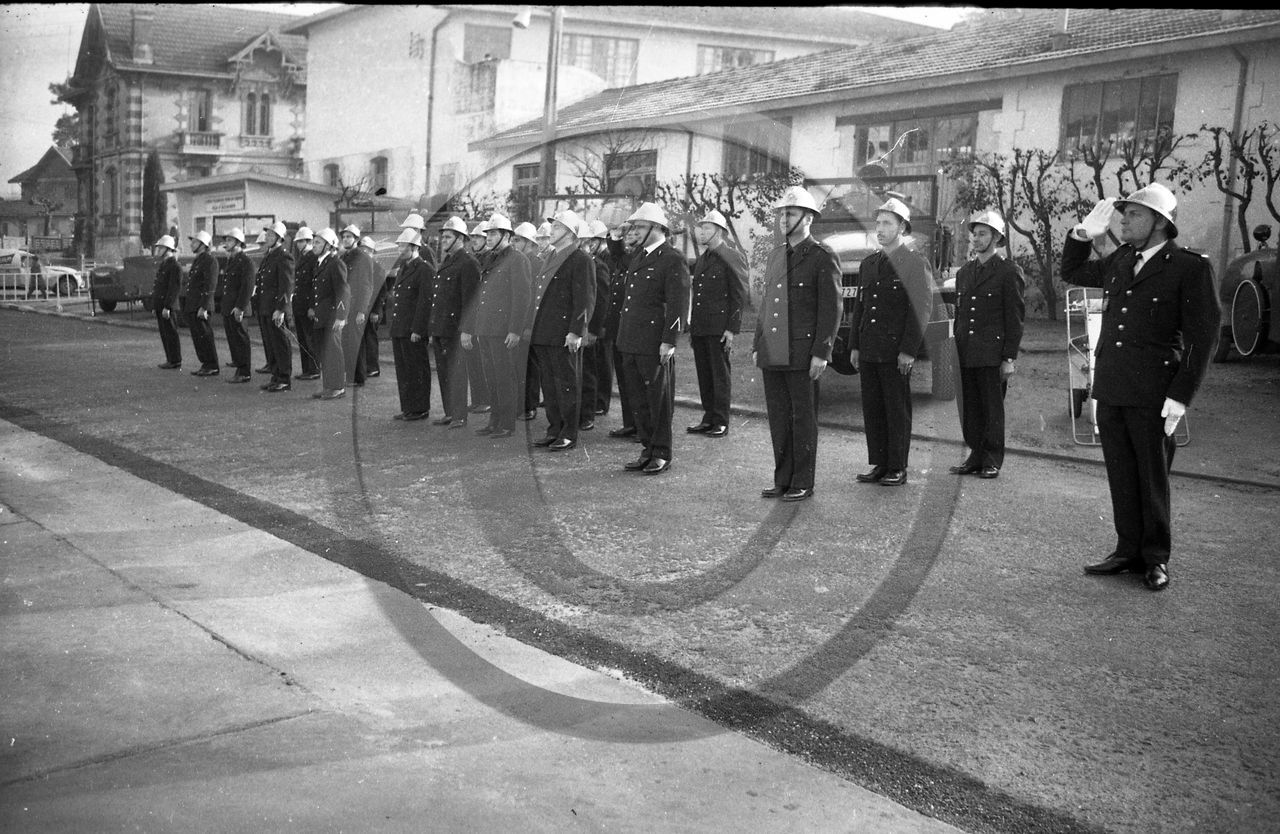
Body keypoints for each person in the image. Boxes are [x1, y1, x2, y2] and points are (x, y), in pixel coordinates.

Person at [1061, 183, 1219, 592]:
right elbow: (1073, 273)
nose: (1123, 220)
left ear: (1159, 222)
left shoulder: (1189, 267)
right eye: (1124, 213)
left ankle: (1155, 558)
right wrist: (1081, 236)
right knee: (1121, 474)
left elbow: (1203, 338)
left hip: (1154, 392)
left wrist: (1181, 395)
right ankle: (1127, 550)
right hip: (1112, 386)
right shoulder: (1122, 258)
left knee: (1151, 478)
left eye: (1133, 214)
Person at [752, 187, 841, 501]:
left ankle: (802, 480)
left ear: (808, 218)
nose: (782, 219)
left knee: (802, 418)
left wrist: (822, 352)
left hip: (803, 351)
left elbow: (831, 309)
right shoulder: (777, 254)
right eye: (781, 213)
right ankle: (783, 479)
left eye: (789, 213)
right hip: (773, 349)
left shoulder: (821, 256)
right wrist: (757, 343)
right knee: (778, 417)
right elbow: (766, 304)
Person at [848, 197, 932, 487]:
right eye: (878, 223)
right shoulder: (869, 263)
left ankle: (897, 466)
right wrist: (855, 345)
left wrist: (909, 350)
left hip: (895, 350)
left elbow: (920, 309)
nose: (880, 229)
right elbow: (860, 306)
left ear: (902, 228)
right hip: (870, 347)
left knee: (896, 408)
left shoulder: (913, 263)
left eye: (887, 223)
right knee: (873, 407)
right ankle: (880, 463)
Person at [614, 202, 691, 475]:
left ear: (658, 228)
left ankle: (661, 452)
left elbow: (678, 304)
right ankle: (647, 449)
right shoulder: (638, 257)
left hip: (653, 342)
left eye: (640, 226)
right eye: (634, 226)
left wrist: (669, 340)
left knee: (658, 400)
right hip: (631, 340)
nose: (634, 230)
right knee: (638, 399)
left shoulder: (672, 258)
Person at [948, 210, 1024, 478]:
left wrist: (1009, 358)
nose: (976, 239)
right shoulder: (966, 272)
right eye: (974, 234)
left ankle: (991, 458)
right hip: (966, 351)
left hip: (992, 354)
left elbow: (1014, 320)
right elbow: (960, 313)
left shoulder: (1008, 272)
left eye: (983, 234)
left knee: (992, 408)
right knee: (970, 408)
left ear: (997, 237)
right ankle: (975, 456)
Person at [525, 210, 595, 451]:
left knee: (567, 385)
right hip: (544, 331)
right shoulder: (551, 257)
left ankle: (568, 433)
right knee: (550, 386)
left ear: (569, 232)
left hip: (564, 334)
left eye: (556, 228)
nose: (551, 231)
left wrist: (576, 331)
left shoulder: (580, 259)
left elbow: (585, 299)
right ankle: (554, 429)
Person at [461, 213, 531, 439]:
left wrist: (515, 329)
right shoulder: (490, 259)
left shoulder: (518, 259)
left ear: (506, 235)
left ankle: (507, 423)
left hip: (503, 330)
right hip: (486, 328)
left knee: (504, 377)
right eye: (488, 233)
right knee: (491, 376)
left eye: (493, 233)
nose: (488, 237)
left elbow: (522, 297)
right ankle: (495, 421)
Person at [689, 209, 749, 439]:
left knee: (719, 374)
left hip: (719, 327)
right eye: (701, 228)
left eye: (707, 228)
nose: (701, 232)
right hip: (701, 326)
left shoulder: (731, 255)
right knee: (705, 374)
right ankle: (708, 417)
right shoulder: (704, 258)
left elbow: (738, 294)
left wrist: (732, 328)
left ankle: (721, 420)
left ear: (720, 231)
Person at [428, 216, 481, 428]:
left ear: (460, 238)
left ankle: (459, 415)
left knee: (457, 373)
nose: (443, 240)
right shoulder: (448, 261)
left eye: (448, 236)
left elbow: (472, 301)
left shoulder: (468, 263)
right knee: (444, 373)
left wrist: (468, 330)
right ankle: (450, 412)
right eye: (443, 236)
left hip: (456, 329)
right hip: (442, 327)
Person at [387, 228, 433, 421]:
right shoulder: (405, 268)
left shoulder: (424, 269)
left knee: (417, 369)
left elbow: (425, 301)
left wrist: (418, 329)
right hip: (400, 328)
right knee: (404, 371)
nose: (400, 249)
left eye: (403, 245)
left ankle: (420, 408)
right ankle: (408, 407)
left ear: (414, 247)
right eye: (399, 245)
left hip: (412, 330)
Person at [605, 221, 642, 438]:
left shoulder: (638, 258)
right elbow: (617, 253)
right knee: (625, 379)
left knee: (636, 381)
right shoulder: (624, 259)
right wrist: (617, 235)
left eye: (633, 233)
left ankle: (641, 426)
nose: (629, 236)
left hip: (634, 329)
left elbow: (620, 253)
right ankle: (631, 423)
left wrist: (618, 240)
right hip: (619, 328)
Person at [578, 219, 612, 431]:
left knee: (593, 369)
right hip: (582, 326)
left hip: (594, 326)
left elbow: (601, 301)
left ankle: (592, 409)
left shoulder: (599, 264)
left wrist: (593, 330)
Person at [309, 227, 349, 400]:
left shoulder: (335, 263)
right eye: (314, 242)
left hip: (333, 316)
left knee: (334, 351)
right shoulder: (321, 263)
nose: (313, 245)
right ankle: (328, 386)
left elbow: (343, 291)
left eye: (318, 242)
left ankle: (337, 387)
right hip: (323, 315)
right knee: (325, 352)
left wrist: (341, 316)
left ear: (329, 245)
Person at [254, 221, 295, 392]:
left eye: (271, 235)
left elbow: (286, 285)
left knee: (280, 343)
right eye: (267, 235)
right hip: (265, 307)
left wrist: (281, 309)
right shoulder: (269, 255)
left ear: (279, 238)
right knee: (271, 344)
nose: (267, 237)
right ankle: (276, 376)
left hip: (276, 309)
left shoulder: (284, 256)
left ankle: (284, 379)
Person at [512, 221, 545, 421]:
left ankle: (530, 405)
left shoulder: (537, 264)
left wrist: (528, 326)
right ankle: (520, 404)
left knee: (530, 367)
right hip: (517, 325)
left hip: (529, 325)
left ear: (530, 243)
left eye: (519, 241)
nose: (515, 244)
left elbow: (534, 299)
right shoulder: (518, 262)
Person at [339, 224, 376, 387]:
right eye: (344, 236)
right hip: (345, 306)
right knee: (346, 341)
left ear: (356, 239)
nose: (346, 239)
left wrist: (362, 310)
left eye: (349, 237)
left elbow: (367, 286)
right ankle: (350, 375)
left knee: (356, 342)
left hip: (356, 307)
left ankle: (358, 377)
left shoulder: (363, 258)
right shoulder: (343, 257)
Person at [219, 227, 254, 383]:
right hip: (230, 307)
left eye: (229, 240)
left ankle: (244, 372)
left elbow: (246, 286)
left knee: (241, 340)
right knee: (234, 340)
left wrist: (240, 307)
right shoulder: (232, 260)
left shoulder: (245, 261)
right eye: (226, 240)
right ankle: (239, 368)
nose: (226, 243)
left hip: (238, 307)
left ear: (239, 242)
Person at [184, 229, 221, 377]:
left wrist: (204, 306)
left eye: (195, 242)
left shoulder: (209, 260)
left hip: (201, 306)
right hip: (194, 305)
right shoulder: (199, 260)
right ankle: (205, 364)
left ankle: (212, 365)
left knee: (205, 336)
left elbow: (210, 285)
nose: (192, 244)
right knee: (198, 337)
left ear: (203, 244)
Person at [465, 220, 492, 416]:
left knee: (482, 362)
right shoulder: (476, 258)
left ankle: (485, 400)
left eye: (478, 237)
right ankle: (478, 399)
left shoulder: (488, 259)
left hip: (484, 318)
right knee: (473, 361)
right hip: (475, 317)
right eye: (473, 237)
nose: (474, 240)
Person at [291, 226, 322, 381]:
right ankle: (307, 369)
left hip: (307, 304)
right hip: (300, 304)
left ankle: (314, 369)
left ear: (309, 241)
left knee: (310, 339)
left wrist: (312, 306)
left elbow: (313, 284)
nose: (299, 244)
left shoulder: (312, 257)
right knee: (303, 339)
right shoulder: (303, 257)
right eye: (297, 241)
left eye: (302, 241)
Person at [150, 234, 183, 370]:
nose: (158, 250)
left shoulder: (174, 265)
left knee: (171, 333)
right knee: (165, 333)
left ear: (168, 249)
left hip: (167, 306)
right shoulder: (164, 264)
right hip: (161, 306)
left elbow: (173, 288)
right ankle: (170, 358)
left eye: (161, 247)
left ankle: (175, 360)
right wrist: (156, 305)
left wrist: (167, 306)